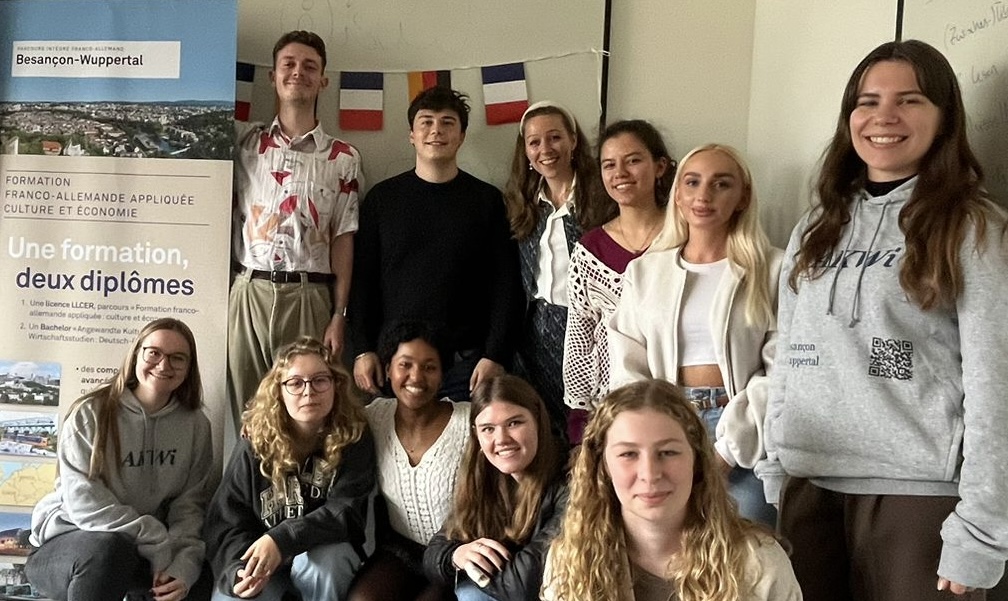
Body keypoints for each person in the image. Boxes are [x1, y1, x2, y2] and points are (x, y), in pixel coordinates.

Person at [757, 39, 1008, 600]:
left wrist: (982, 530)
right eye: (867, 102)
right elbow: (788, 354)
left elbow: (997, 386)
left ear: (944, 117)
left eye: (909, 100)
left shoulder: (973, 228)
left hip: (919, 499)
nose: (884, 116)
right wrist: (776, 464)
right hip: (810, 488)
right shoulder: (816, 226)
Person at [607, 144, 780, 527]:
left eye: (721, 184)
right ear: (678, 195)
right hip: (664, 425)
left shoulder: (772, 269)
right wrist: (647, 434)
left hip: (744, 428)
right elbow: (627, 364)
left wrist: (728, 450)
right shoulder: (645, 272)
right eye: (693, 182)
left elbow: (781, 371)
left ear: (742, 197)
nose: (704, 195)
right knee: (668, 545)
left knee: (746, 543)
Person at [542, 379, 801, 601]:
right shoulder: (568, 563)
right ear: (603, 466)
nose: (650, 473)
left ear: (696, 460)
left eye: (668, 452)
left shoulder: (761, 564)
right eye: (628, 454)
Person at [349, 86, 524, 403]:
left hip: (468, 364)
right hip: (395, 362)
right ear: (411, 135)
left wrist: (496, 354)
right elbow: (362, 282)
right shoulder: (382, 200)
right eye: (426, 122)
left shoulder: (487, 201)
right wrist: (362, 349)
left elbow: (506, 284)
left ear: (461, 136)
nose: (436, 130)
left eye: (447, 122)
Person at [26, 318, 213, 601]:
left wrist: (183, 565)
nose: (164, 365)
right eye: (154, 353)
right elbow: (84, 503)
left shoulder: (196, 425)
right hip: (70, 542)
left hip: (142, 549)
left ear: (189, 367)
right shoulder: (91, 413)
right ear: (136, 355)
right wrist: (154, 536)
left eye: (178, 358)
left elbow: (189, 506)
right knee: (109, 550)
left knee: (194, 578)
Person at [228, 30, 363, 423]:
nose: (298, 72)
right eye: (288, 64)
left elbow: (343, 240)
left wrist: (339, 314)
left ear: (323, 81)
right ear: (273, 76)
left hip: (310, 296)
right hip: (249, 291)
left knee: (307, 412)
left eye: (309, 66)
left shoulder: (343, 158)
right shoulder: (245, 143)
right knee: (248, 414)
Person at [204, 337, 375, 600]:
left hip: (319, 555)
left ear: (336, 385)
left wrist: (282, 539)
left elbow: (347, 512)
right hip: (263, 563)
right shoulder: (254, 444)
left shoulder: (353, 437)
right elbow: (226, 523)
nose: (308, 391)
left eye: (320, 380)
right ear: (278, 391)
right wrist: (238, 572)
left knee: (327, 562)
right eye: (295, 383)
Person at [563, 119, 675, 442]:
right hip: (612, 409)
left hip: (677, 404)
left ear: (660, 167)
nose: (620, 173)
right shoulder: (590, 250)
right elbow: (580, 340)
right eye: (609, 165)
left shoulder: (685, 239)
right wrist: (580, 421)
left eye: (633, 160)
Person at [504, 100, 608, 440]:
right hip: (535, 330)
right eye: (534, 142)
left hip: (586, 328)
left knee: (587, 423)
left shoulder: (601, 197)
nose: (545, 150)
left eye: (555, 138)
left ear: (573, 141)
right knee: (541, 425)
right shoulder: (523, 201)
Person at [349, 321, 469, 601]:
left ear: (442, 375)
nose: (416, 377)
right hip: (400, 551)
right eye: (405, 364)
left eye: (429, 367)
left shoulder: (470, 422)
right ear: (387, 369)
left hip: (455, 556)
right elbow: (325, 423)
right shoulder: (374, 417)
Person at [424, 375, 567, 601]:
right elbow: (434, 551)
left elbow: (523, 586)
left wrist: (472, 570)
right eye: (488, 429)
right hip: (503, 590)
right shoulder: (482, 475)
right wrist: (457, 555)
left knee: (470, 594)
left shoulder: (572, 477)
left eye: (514, 423)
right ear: (476, 435)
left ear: (539, 421)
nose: (501, 439)